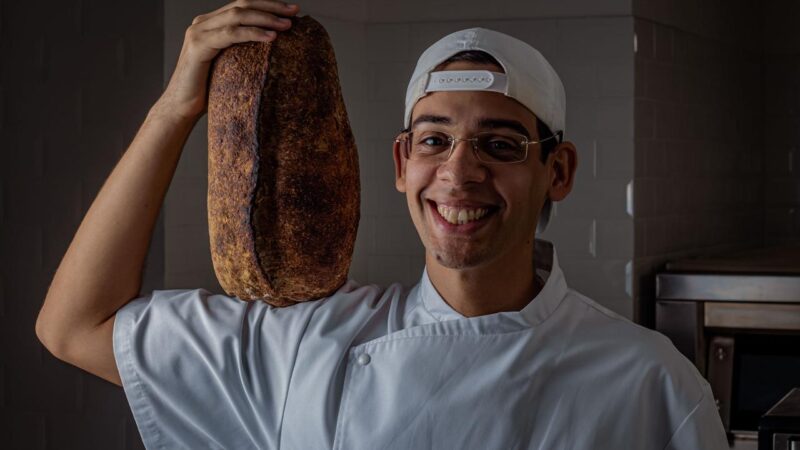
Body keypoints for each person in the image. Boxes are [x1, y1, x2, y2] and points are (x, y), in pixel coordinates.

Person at [35, 1, 729, 449]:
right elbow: (73, 326)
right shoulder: (306, 342)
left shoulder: (649, 384)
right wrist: (173, 109)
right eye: (433, 140)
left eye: (501, 144)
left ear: (560, 170)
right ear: (401, 163)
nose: (459, 174)